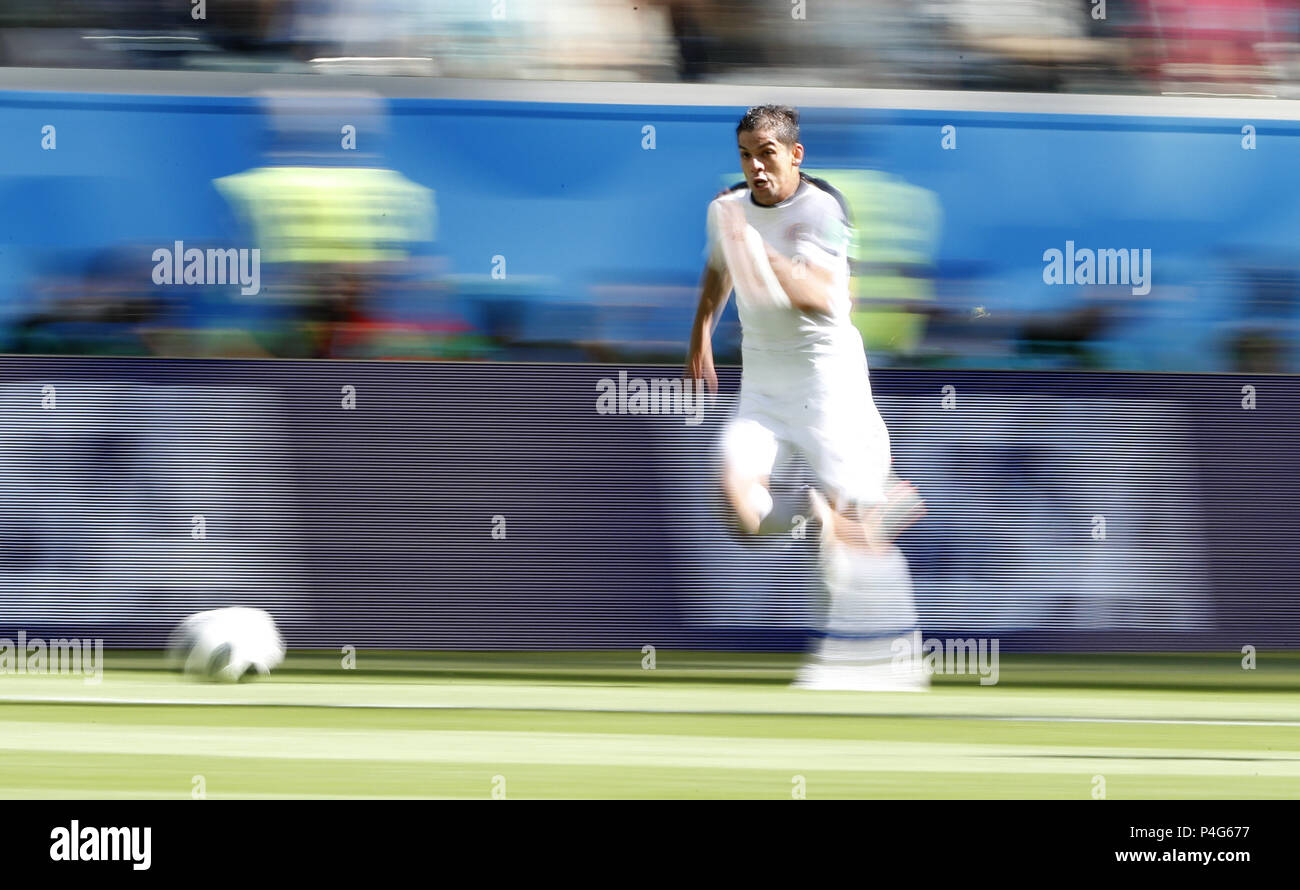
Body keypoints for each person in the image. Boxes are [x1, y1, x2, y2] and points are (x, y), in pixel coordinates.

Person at [685, 105, 927, 691]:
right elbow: (721, 267)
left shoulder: (823, 208)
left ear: (795, 154)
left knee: (851, 535)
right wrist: (700, 335)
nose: (755, 166)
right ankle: (855, 508)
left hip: (827, 384)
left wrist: (761, 252)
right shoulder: (727, 209)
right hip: (763, 388)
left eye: (766, 153)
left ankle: (881, 658)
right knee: (741, 516)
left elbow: (820, 297)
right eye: (746, 154)